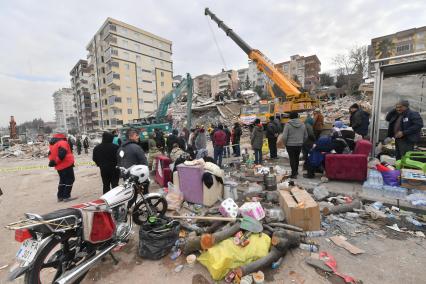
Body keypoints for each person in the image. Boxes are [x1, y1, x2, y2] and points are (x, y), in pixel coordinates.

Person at [48, 133, 75, 202]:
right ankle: (66, 196)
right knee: (70, 179)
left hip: (59, 167)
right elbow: (62, 153)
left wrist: (53, 162)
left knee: (62, 180)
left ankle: (60, 196)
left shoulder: (52, 145)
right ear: (62, 137)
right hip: (66, 164)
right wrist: (56, 161)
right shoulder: (63, 142)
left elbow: (50, 155)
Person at [283, 112, 308, 179]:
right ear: (297, 116)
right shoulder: (302, 124)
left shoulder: (288, 124)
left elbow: (284, 136)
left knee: (292, 159)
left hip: (290, 145)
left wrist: (285, 143)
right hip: (299, 144)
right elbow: (306, 136)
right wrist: (302, 142)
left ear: (290, 117)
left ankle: (293, 173)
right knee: (296, 158)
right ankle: (296, 172)